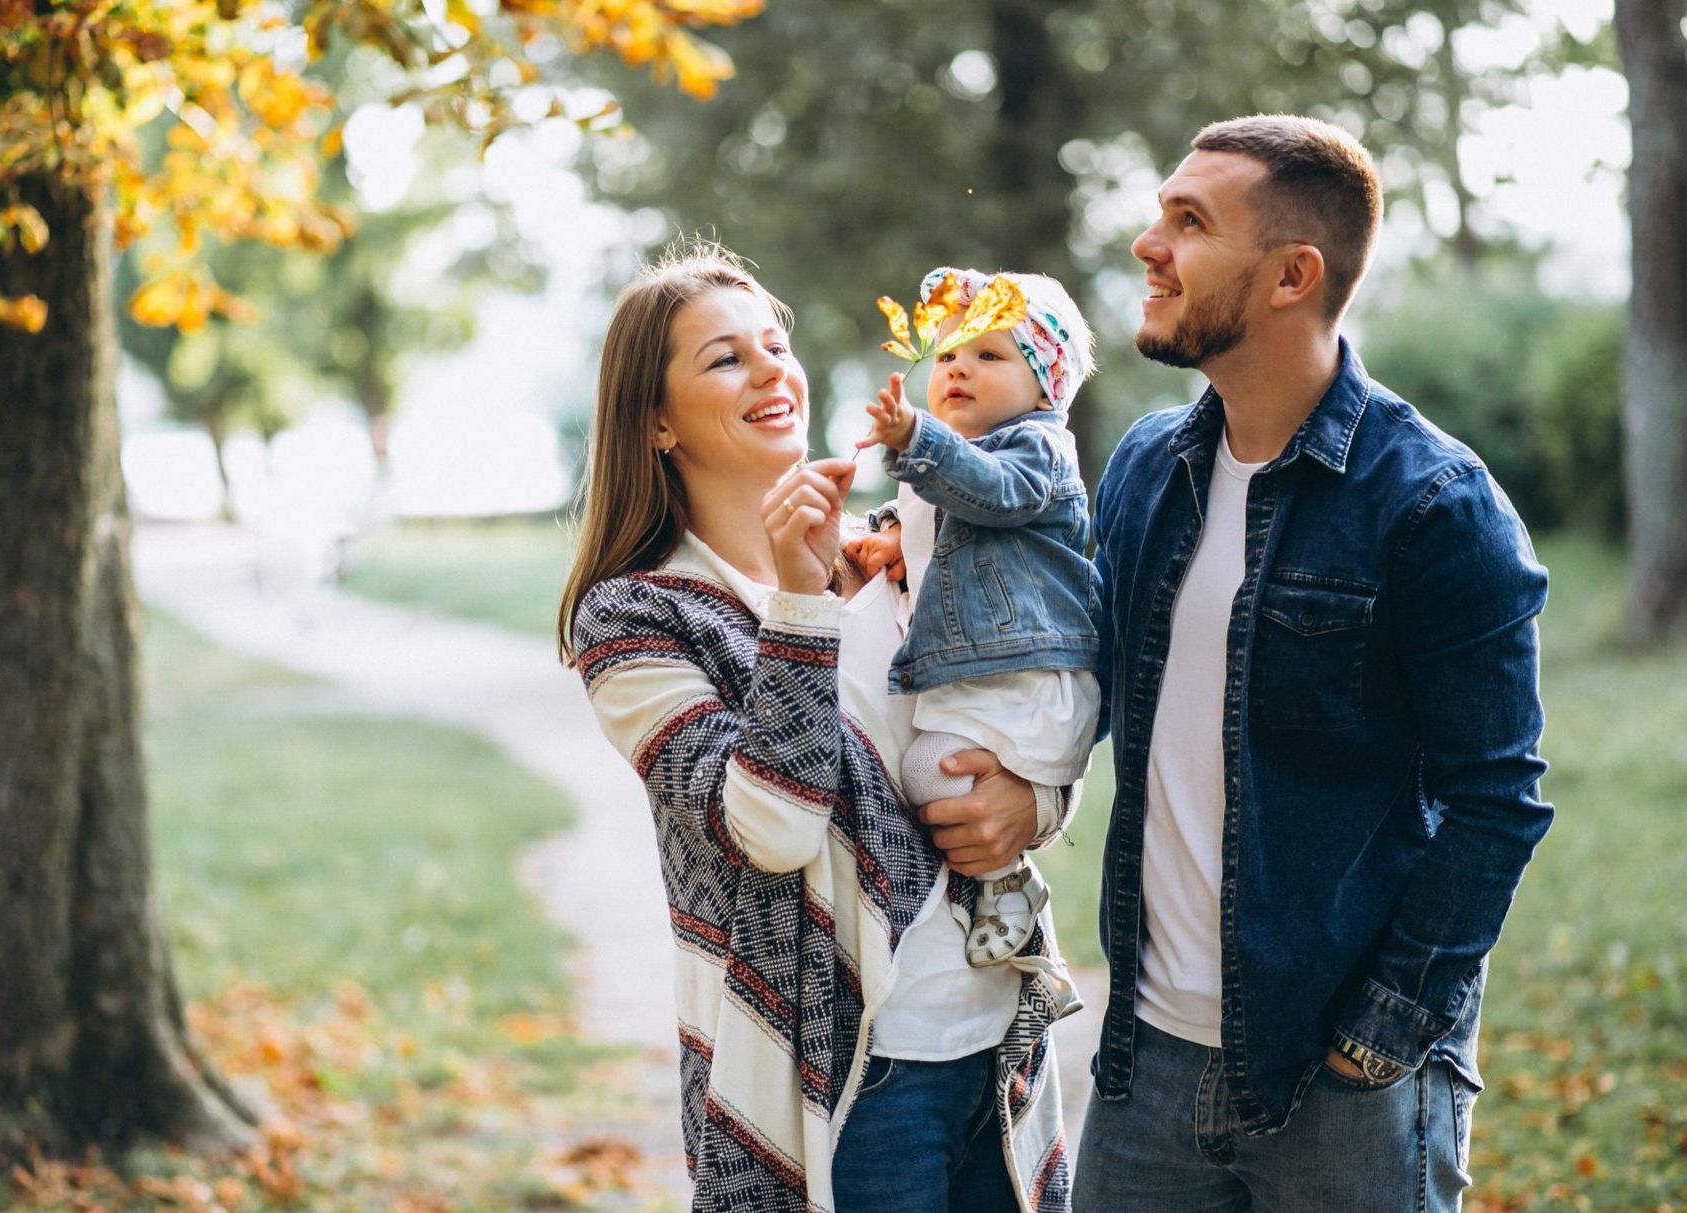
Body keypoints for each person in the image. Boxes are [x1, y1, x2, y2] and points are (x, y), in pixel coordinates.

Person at [1073, 115, 1552, 1211]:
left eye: (1186, 222)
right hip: (1140, 1069)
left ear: (1292, 275)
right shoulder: (1147, 466)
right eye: (1157, 213)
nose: (1147, 245)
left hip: (1338, 1093)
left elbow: (1495, 800)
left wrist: (1377, 1038)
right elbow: (1081, 692)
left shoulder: (1432, 505)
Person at [557, 245, 1080, 1213]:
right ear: (656, 419)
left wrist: (1037, 795)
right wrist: (801, 609)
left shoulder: (901, 542)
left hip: (993, 1049)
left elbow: (1032, 678)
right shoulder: (634, 619)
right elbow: (770, 828)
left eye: (774, 344)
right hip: (840, 1084)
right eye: (724, 359)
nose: (770, 371)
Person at [845, 266, 1099, 973]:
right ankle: (1000, 885)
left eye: (989, 355)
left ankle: (1006, 880)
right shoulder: (947, 467)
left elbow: (996, 496)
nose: (958, 368)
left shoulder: (1036, 448)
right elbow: (948, 525)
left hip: (1024, 671)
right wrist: (898, 539)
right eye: (948, 354)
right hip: (981, 672)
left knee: (934, 769)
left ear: (1045, 384)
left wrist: (917, 437)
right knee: (930, 769)